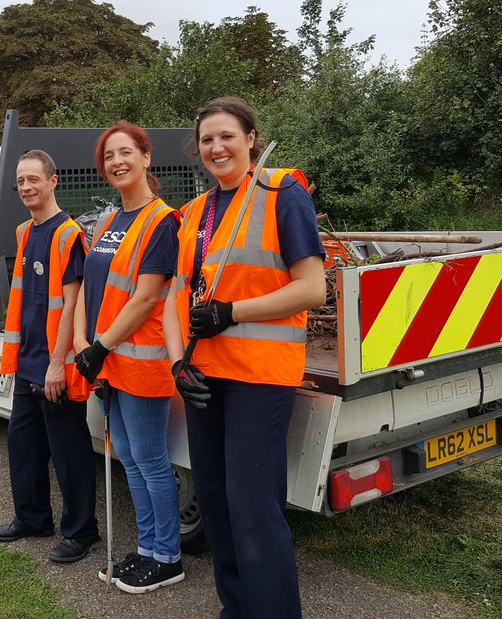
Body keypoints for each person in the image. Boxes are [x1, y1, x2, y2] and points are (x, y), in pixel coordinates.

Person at [164, 97, 326, 618]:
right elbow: (175, 299)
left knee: (254, 509)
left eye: (227, 136)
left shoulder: (282, 193)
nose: (217, 147)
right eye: (207, 140)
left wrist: (231, 311)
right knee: (215, 505)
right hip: (205, 377)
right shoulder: (194, 214)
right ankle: (236, 609)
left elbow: (312, 289)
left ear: (252, 138)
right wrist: (176, 362)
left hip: (259, 378)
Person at [72, 121, 183, 594]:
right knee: (129, 461)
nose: (116, 162)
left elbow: (144, 298)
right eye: (108, 157)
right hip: (106, 360)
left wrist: (99, 347)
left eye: (125, 153)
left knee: (150, 459)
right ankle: (146, 548)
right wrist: (82, 344)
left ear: (145, 158)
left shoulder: (162, 221)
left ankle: (168, 557)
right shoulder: (109, 220)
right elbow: (88, 288)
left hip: (139, 359)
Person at [0, 149, 100, 564]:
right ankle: (32, 518)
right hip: (27, 362)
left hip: (57, 367)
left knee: (69, 453)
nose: (26, 187)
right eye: (20, 181)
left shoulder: (68, 234)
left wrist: (57, 363)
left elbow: (72, 305)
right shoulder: (23, 232)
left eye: (34, 179)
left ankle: (82, 531)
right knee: (24, 446)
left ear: (53, 181)